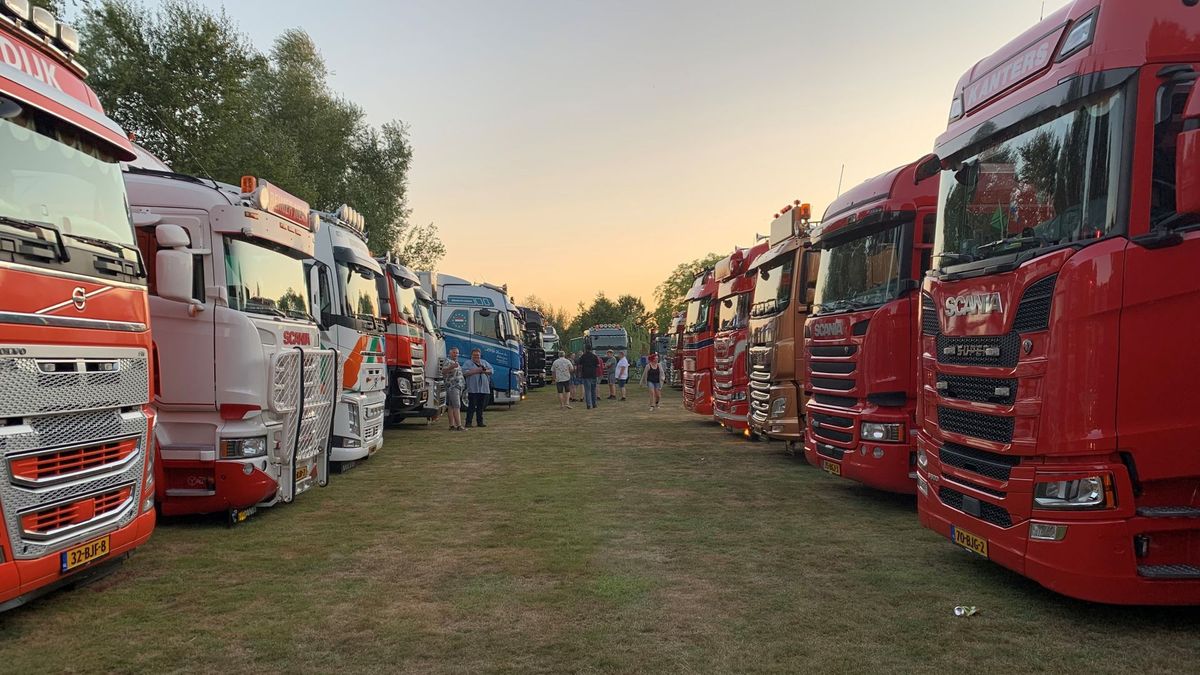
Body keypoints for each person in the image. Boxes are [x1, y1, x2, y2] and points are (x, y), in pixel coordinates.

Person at [463, 348, 493, 427]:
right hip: (473, 388)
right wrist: (476, 370)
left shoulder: (484, 362)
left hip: (483, 388)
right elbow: (464, 372)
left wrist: (484, 371)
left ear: (480, 355)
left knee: (481, 406)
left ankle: (480, 422)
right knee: (471, 406)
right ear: (471, 355)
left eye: (478, 355)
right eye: (475, 355)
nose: (476, 356)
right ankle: (468, 422)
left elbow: (491, 370)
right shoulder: (467, 363)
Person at [442, 347, 467, 431]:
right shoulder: (448, 361)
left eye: (457, 353)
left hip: (458, 387)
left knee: (451, 406)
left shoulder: (456, 362)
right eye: (454, 352)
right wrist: (451, 367)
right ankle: (459, 426)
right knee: (457, 405)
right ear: (450, 353)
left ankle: (452, 425)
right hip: (453, 386)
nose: (456, 354)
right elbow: (443, 371)